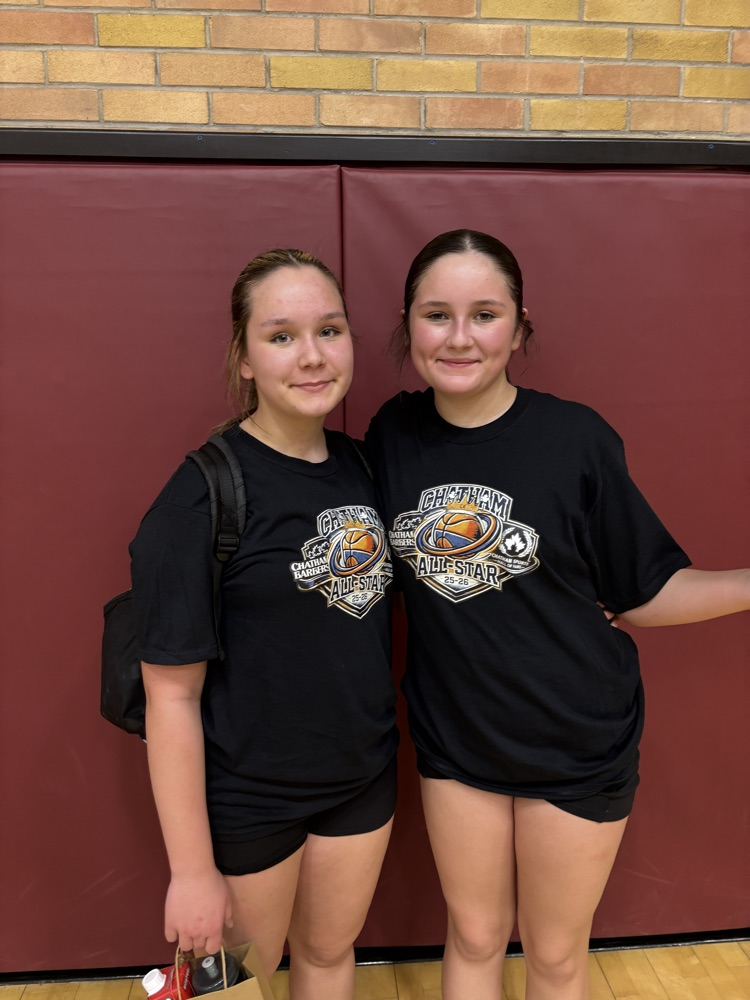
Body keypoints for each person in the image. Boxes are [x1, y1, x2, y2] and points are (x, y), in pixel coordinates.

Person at [365, 229, 750, 1000]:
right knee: (472, 936)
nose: (461, 337)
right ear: (408, 325)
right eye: (438, 315)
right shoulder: (391, 435)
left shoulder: (575, 440)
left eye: (486, 314)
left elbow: (645, 589)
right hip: (457, 736)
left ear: (520, 324)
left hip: (577, 741)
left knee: (554, 955)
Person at [130, 249, 398, 1000]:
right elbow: (171, 699)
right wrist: (191, 872)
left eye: (330, 330)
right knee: (232, 982)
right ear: (243, 358)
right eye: (281, 336)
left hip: (362, 779)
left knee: (329, 954)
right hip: (248, 798)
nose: (312, 356)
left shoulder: (363, 466)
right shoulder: (199, 497)